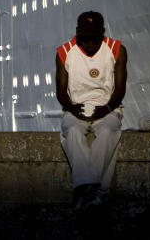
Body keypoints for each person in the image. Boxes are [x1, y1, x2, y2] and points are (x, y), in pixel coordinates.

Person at [55, 11, 128, 210]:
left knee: (108, 131)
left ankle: (84, 191)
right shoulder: (64, 52)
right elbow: (61, 92)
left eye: (94, 38)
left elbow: (120, 89)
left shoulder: (117, 49)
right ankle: (96, 192)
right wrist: (72, 108)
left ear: (103, 33)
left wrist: (105, 109)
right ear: (77, 33)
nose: (89, 44)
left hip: (108, 107)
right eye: (84, 38)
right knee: (73, 131)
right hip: (75, 107)